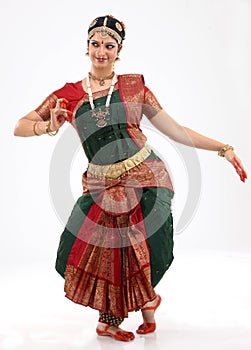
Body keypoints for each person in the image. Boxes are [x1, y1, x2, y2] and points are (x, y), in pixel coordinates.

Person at [14, 15, 247, 342]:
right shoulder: (66, 95)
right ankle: (138, 306)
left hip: (144, 175)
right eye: (96, 44)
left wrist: (223, 149)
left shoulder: (135, 89)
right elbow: (19, 126)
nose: (101, 51)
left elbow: (176, 130)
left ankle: (120, 316)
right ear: (87, 47)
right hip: (101, 184)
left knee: (142, 245)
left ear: (118, 51)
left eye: (109, 45)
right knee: (100, 250)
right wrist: (48, 126)